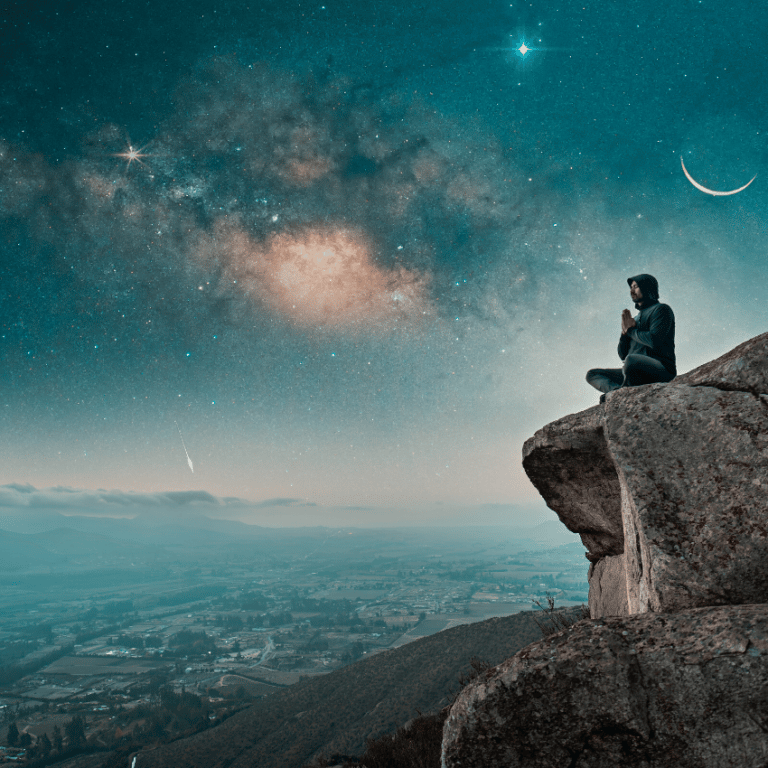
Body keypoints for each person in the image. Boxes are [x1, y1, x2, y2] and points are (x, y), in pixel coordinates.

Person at [586, 274, 676, 403]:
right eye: (631, 287)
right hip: (632, 371)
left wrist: (631, 331)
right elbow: (622, 355)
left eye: (636, 286)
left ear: (648, 288)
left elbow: (654, 341)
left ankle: (623, 392)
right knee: (593, 374)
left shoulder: (661, 310)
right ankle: (617, 391)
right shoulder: (635, 318)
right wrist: (624, 334)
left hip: (660, 370)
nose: (632, 290)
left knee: (632, 360)